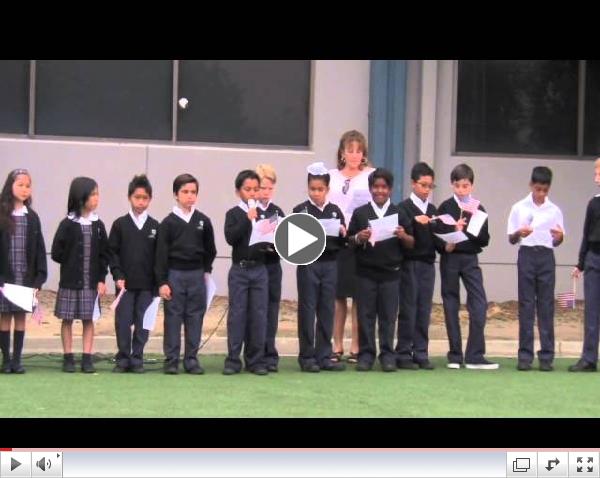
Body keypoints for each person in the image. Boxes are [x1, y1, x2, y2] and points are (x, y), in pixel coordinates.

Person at [0, 168, 47, 374]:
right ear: (10, 186)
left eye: (28, 186)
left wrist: (38, 279)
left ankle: (17, 360)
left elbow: (39, 249)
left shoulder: (32, 217)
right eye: (20, 185)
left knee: (20, 316)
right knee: (4, 317)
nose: (24, 189)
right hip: (5, 277)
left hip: (24, 277)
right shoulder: (2, 213)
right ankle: (6, 359)